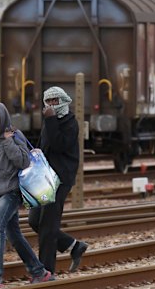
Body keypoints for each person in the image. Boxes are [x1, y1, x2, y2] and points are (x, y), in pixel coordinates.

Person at [0, 102, 53, 287]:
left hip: (13, 193)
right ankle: (39, 272)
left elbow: (23, 161)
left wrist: (7, 141)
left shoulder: (15, 136)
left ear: (3, 117)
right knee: (14, 236)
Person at [28, 86, 88, 275]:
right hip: (44, 177)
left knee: (48, 225)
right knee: (34, 220)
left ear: (63, 101)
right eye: (49, 101)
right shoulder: (49, 120)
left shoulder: (70, 122)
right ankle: (73, 245)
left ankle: (46, 271)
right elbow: (45, 143)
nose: (52, 105)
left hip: (60, 178)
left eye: (55, 101)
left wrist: (51, 119)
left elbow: (59, 144)